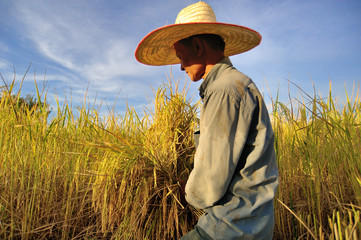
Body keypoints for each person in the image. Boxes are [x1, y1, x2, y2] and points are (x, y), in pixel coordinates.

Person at [135, 2, 279, 239]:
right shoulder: (234, 85)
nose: (181, 67)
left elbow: (211, 181)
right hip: (249, 224)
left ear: (198, 46)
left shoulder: (224, 90)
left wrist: (188, 190)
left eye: (181, 57)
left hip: (230, 226)